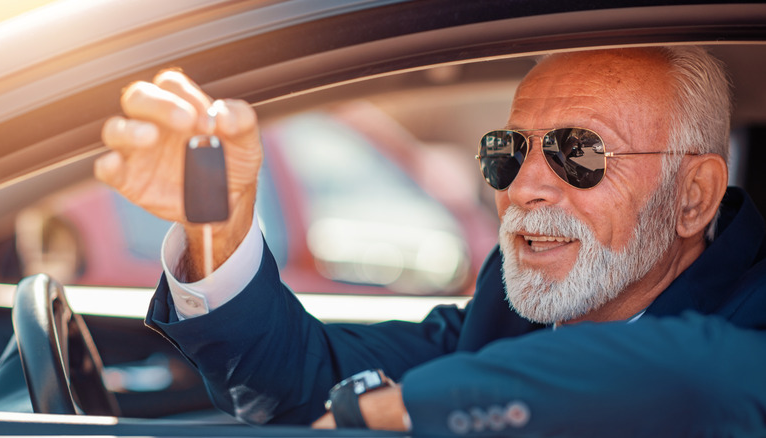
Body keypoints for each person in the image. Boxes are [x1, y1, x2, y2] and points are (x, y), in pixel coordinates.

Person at [96, 47, 766, 436]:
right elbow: (294, 383)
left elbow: (703, 380)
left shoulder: (751, 315)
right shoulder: (508, 311)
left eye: (578, 152)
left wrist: (413, 404)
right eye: (508, 151)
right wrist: (219, 219)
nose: (523, 187)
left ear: (694, 196)